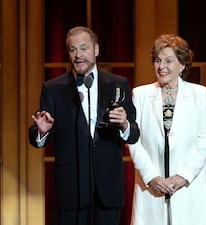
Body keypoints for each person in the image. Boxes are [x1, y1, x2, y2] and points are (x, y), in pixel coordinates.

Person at [28, 26, 140, 225]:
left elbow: (134, 134)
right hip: (71, 191)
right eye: (72, 50)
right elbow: (36, 137)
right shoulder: (53, 88)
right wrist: (42, 132)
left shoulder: (117, 84)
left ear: (96, 50)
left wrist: (124, 125)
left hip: (108, 189)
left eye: (84, 48)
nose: (78, 55)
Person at [128, 34, 206, 225]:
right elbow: (134, 140)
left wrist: (183, 176)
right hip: (151, 187)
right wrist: (152, 177)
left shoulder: (199, 94)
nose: (162, 67)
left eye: (169, 61)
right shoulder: (140, 94)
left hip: (188, 186)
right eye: (158, 61)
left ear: (182, 65)